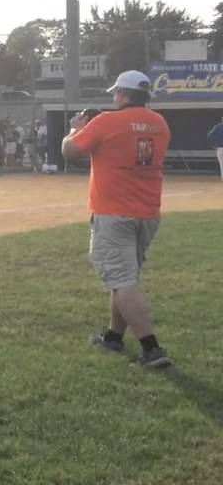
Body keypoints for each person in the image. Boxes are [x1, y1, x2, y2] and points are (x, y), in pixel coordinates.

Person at [62, 70, 171, 368]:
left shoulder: (107, 122)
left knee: (121, 280)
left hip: (113, 212)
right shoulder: (160, 123)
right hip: (147, 212)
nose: (113, 97)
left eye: (115, 93)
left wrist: (75, 129)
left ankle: (152, 348)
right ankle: (113, 337)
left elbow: (69, 151)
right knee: (125, 278)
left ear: (123, 93)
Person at [208, 116, 223, 183]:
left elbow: (209, 135)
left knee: (222, 165)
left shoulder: (217, 127)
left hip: (219, 148)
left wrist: (213, 145)